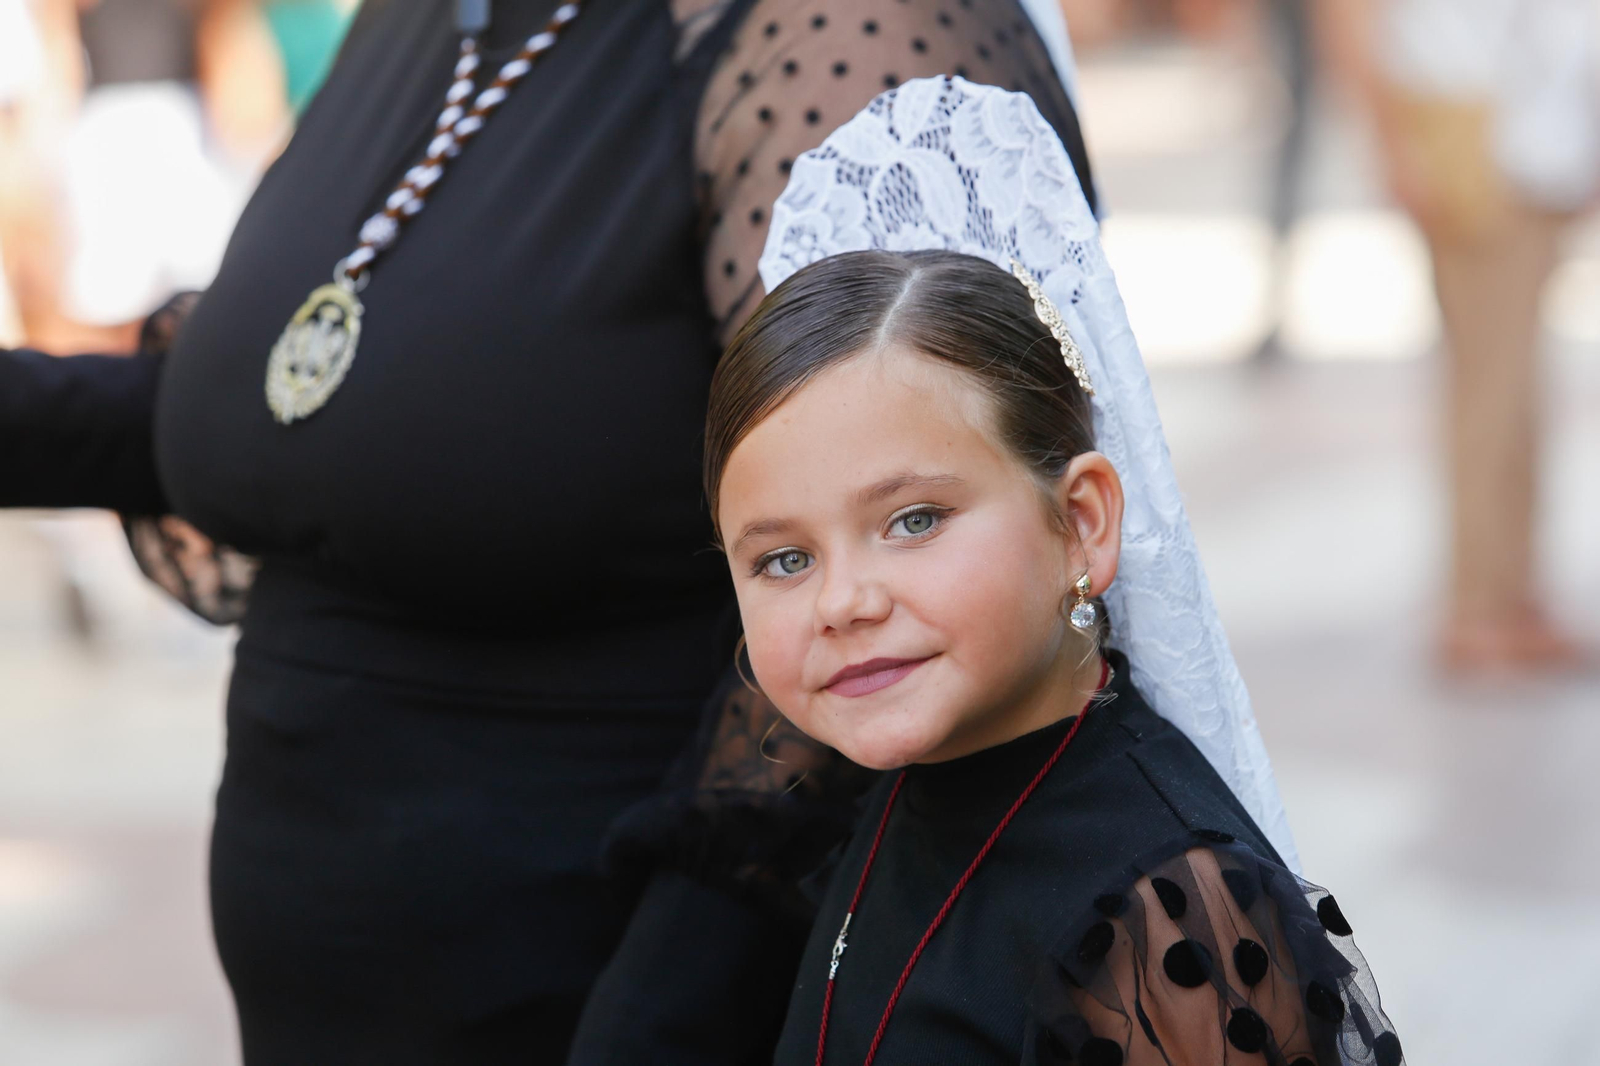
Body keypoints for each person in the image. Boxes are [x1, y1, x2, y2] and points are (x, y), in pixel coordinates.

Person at [0, 2, 1096, 1062]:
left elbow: (896, 582)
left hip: (606, 981)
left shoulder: (846, 32)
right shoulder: (437, 18)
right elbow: (306, 415)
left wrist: (658, 1019)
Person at [700, 77, 1400, 1064]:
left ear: (1080, 524)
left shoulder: (1169, 920)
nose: (844, 601)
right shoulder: (899, 774)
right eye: (782, 557)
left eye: (912, 519)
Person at [1329, 0, 1599, 672]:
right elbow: (1348, 15)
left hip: (1538, 137)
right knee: (1490, 388)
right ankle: (1479, 605)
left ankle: (1513, 592)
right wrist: (1392, 144)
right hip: (1473, 139)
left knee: (1515, 386)